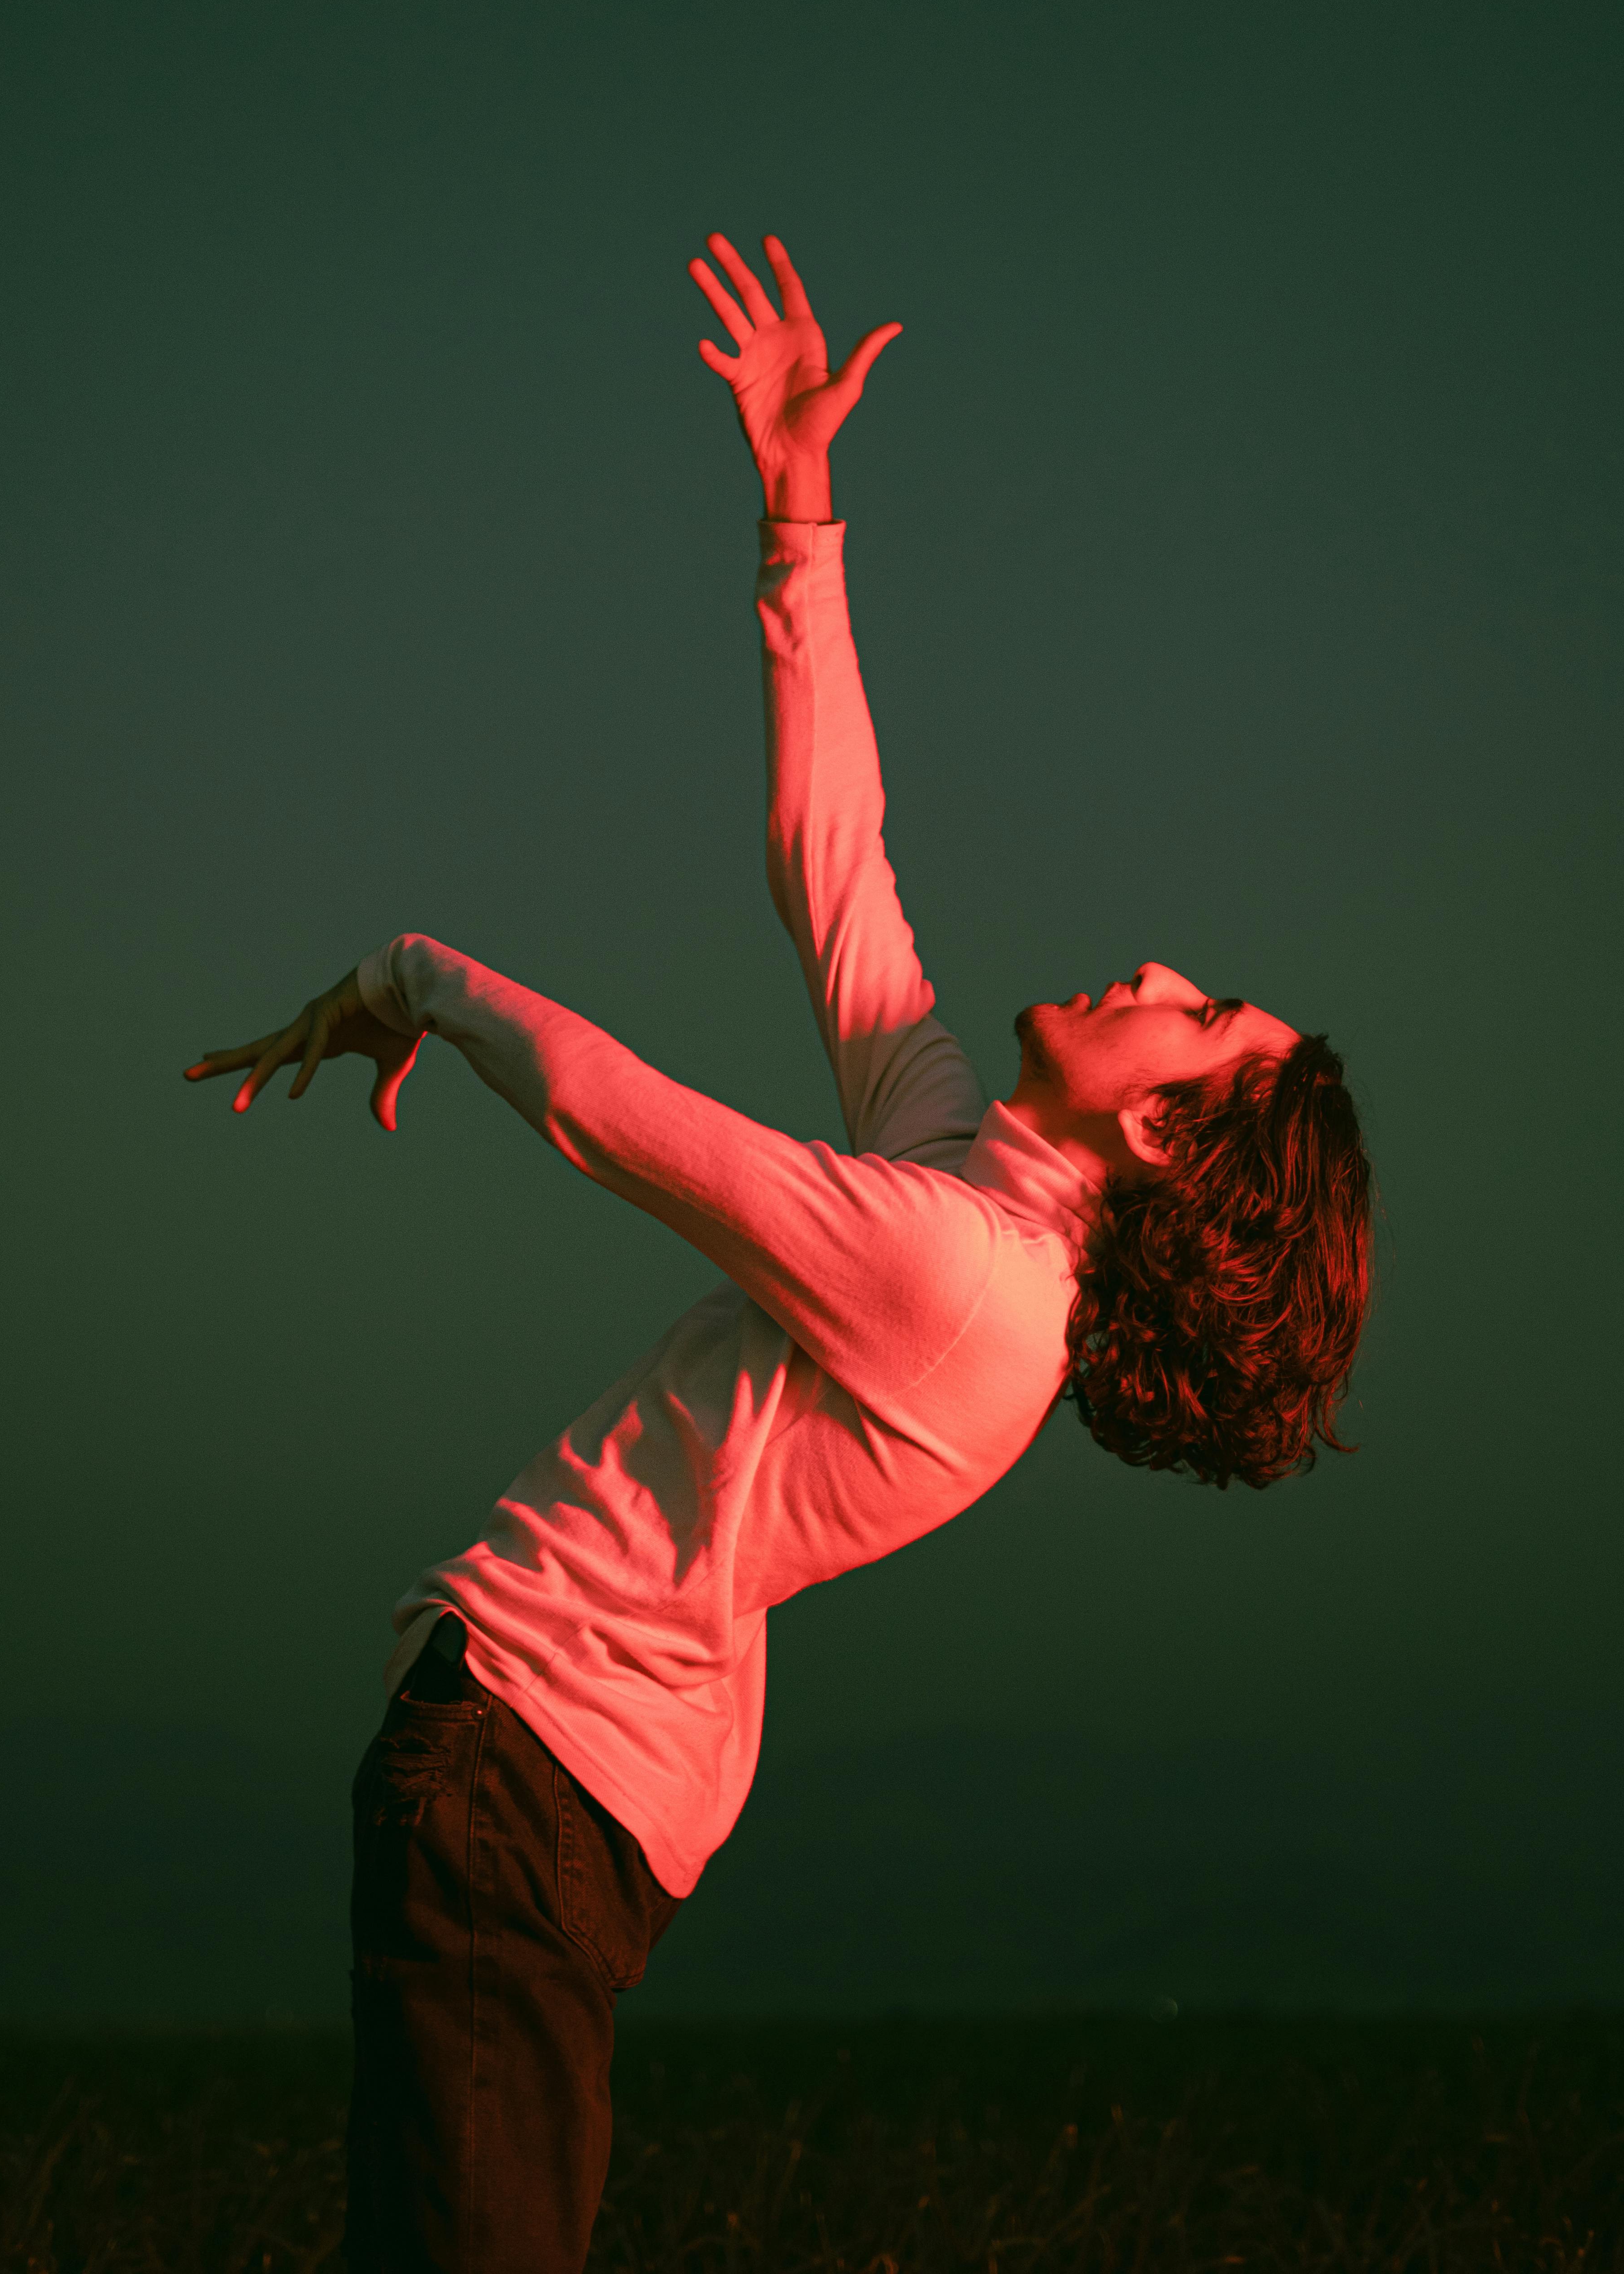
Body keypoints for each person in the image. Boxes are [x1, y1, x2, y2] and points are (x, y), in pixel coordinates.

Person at [185, 234, 1372, 2274]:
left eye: (1199, 1017)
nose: (1161, 969)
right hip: (540, 1775)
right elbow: (836, 868)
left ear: (1169, 1131)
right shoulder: (972, 1201)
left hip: (526, 1763)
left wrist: (413, 973)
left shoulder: (963, 1282)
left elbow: (615, 1113)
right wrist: (799, 510)